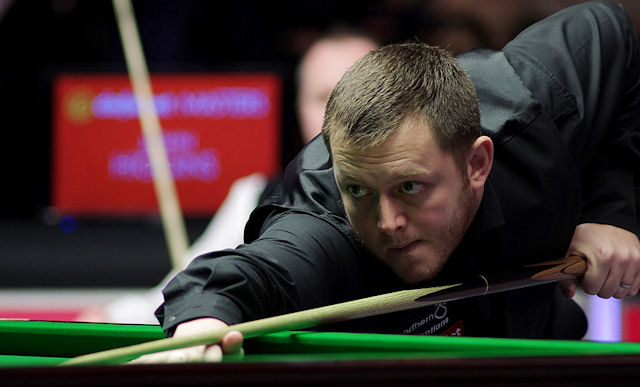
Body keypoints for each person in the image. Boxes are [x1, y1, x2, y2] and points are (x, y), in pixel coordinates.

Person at [141, 1, 640, 363]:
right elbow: (249, 274)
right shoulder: (327, 221)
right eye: (359, 190)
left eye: (410, 188)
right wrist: (203, 322)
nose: (387, 222)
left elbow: (612, 29)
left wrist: (610, 211)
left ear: (477, 163)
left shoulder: (533, 106)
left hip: (543, 365)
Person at [80, 30, 379, 324]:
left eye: (357, 95)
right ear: (298, 108)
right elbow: (190, 286)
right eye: (323, 97)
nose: (340, 113)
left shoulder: (405, 199)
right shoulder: (255, 195)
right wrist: (111, 317)